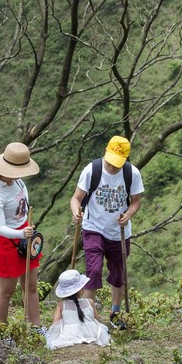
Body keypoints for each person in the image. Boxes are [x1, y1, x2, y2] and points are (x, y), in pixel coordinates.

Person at [69, 135, 144, 330]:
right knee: (93, 270)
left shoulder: (132, 173)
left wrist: (128, 214)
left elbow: (136, 201)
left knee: (118, 273)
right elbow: (76, 198)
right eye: (111, 162)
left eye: (118, 163)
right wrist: (76, 212)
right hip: (93, 227)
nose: (113, 167)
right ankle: (87, 317)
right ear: (105, 152)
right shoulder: (92, 170)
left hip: (119, 231)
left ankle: (115, 312)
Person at [0, 142, 42, 328]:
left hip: (25, 235)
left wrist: (26, 229)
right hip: (8, 242)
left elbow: (24, 207)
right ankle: (2, 330)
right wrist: (21, 232)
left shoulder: (18, 182)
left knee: (31, 285)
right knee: (6, 291)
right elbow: (0, 227)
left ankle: (35, 326)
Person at [44, 269, 111, 350]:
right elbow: (97, 320)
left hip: (70, 335)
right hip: (91, 333)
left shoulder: (61, 304)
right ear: (81, 289)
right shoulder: (90, 302)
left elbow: (55, 324)